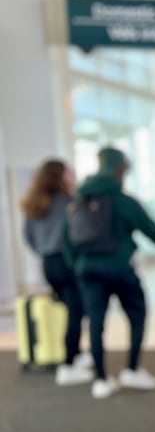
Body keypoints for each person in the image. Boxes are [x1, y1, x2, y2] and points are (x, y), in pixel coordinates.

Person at [62, 148, 155, 399]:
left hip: (87, 269)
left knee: (95, 322)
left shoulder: (79, 199)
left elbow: (66, 240)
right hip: (118, 267)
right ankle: (132, 368)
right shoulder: (122, 200)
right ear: (121, 169)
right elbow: (149, 229)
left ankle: (102, 379)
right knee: (137, 314)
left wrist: (78, 265)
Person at [20, 159, 92, 386]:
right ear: (61, 177)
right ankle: (68, 363)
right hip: (67, 261)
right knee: (76, 311)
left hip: (48, 263)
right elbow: (78, 233)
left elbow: (29, 237)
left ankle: (76, 354)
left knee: (71, 309)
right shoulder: (68, 203)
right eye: (69, 173)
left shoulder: (34, 204)